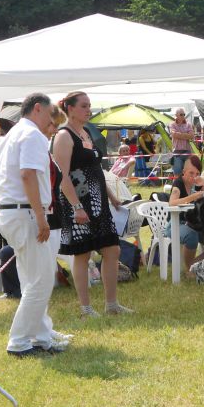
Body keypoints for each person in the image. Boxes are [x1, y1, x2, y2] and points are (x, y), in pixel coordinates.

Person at [0, 93, 64, 357]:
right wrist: (41, 216)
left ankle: (39, 335)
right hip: (26, 214)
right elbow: (27, 175)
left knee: (31, 279)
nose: (50, 121)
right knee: (41, 281)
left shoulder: (11, 135)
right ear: (37, 109)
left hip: (13, 214)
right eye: (48, 115)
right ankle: (20, 341)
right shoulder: (32, 135)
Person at [53, 91, 133, 318]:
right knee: (83, 255)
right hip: (77, 204)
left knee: (113, 249)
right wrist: (77, 207)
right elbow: (63, 177)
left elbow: (96, 172)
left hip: (99, 203)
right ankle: (86, 309)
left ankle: (112, 305)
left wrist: (111, 196)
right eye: (84, 106)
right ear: (69, 108)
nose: (88, 110)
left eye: (89, 106)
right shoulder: (63, 136)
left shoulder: (86, 132)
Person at [165, 156, 204, 275]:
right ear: (183, 172)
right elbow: (172, 202)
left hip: (192, 224)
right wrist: (193, 197)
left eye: (197, 173)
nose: (194, 176)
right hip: (174, 224)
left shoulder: (197, 183)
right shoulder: (178, 183)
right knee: (191, 235)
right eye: (191, 173)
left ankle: (193, 264)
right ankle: (190, 268)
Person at [169, 108, 195, 175]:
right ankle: (177, 185)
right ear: (176, 115)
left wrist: (179, 135)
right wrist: (186, 135)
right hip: (177, 152)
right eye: (181, 114)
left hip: (187, 152)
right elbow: (174, 135)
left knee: (189, 173)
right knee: (177, 173)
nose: (183, 116)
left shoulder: (188, 124)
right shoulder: (172, 124)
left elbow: (192, 136)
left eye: (184, 114)